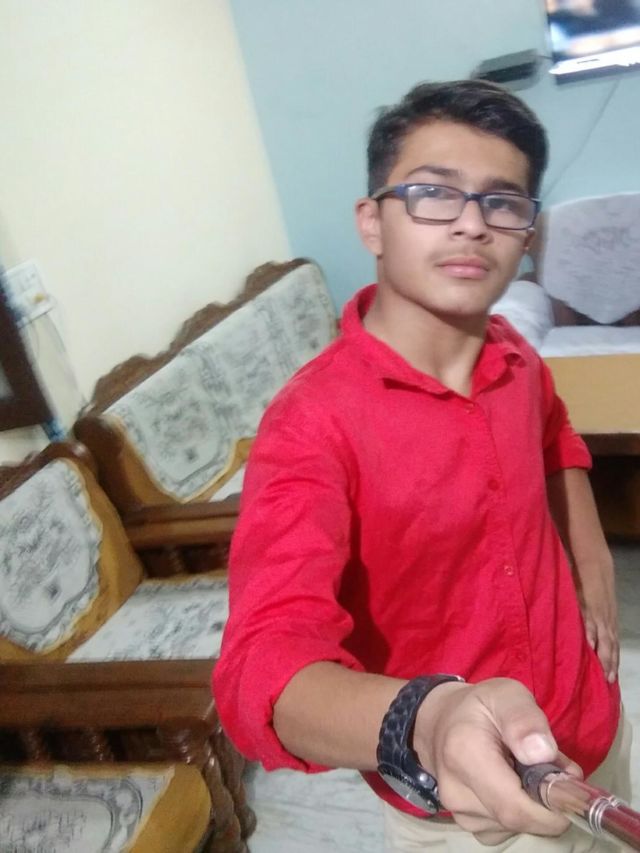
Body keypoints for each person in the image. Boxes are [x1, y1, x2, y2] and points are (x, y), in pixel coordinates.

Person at [214, 80, 629, 851]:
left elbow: (555, 432)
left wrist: (591, 550)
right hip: (470, 803)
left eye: (502, 201)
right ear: (372, 221)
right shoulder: (310, 424)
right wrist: (426, 718)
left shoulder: (515, 357)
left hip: (594, 724)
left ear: (527, 233)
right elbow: (261, 666)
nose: (472, 222)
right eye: (435, 192)